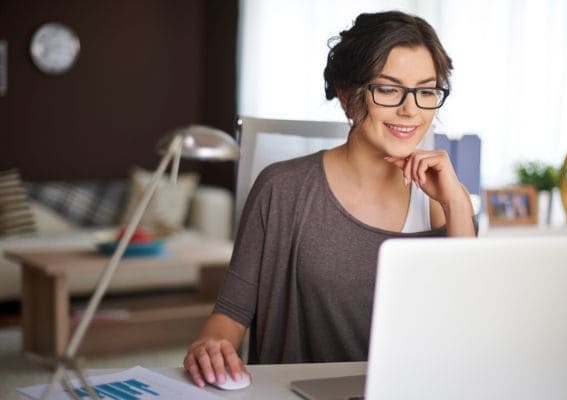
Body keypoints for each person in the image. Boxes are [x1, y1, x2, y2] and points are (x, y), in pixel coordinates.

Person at [183, 10, 477, 388]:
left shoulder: (448, 199)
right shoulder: (282, 189)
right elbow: (230, 314)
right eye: (388, 89)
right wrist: (211, 344)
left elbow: (468, 329)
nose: (411, 109)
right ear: (347, 95)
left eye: (426, 90)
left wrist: (456, 206)